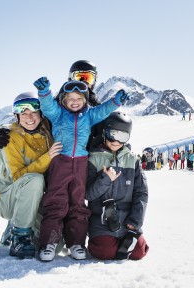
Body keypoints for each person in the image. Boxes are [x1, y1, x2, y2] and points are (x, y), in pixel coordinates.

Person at [33, 76, 129, 262]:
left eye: (79, 99)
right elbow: (47, 107)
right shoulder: (58, 114)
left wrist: (116, 101)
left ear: (85, 100)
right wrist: (44, 93)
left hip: (81, 163)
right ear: (64, 101)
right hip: (61, 161)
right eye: (70, 99)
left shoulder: (89, 115)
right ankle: (49, 243)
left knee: (77, 202)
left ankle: (76, 243)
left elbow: (103, 110)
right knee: (56, 201)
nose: (75, 102)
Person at [0, 93, 62, 258]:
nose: (29, 117)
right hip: (7, 198)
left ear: (41, 114)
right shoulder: (10, 138)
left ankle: (13, 227)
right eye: (23, 112)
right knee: (35, 179)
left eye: (33, 112)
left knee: (54, 245)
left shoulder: (48, 133)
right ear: (17, 116)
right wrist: (47, 157)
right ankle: (19, 238)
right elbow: (18, 177)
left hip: (33, 199)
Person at [86, 111, 149, 260]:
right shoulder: (93, 159)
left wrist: (135, 222)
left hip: (127, 220)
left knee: (139, 252)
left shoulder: (133, 161)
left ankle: (123, 246)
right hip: (102, 219)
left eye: (122, 137)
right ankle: (114, 246)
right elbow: (88, 194)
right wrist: (106, 179)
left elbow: (141, 193)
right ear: (104, 133)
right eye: (112, 134)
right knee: (103, 251)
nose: (116, 141)